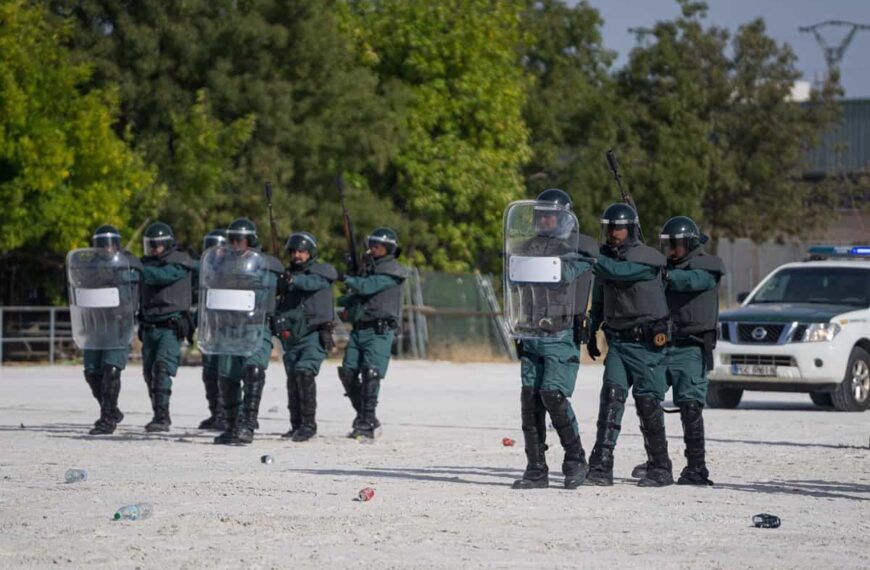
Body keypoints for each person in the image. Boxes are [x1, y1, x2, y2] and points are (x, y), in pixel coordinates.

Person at [505, 189, 598, 490]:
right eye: (540, 214)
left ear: (561, 218)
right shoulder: (525, 247)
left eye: (550, 214)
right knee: (530, 400)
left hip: (560, 332)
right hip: (529, 331)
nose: (544, 219)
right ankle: (536, 468)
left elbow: (566, 273)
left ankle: (575, 459)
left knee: (553, 395)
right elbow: (513, 277)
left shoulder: (579, 248)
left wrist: (543, 266)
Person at [583, 203, 673, 487]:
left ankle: (660, 467)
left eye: (618, 228)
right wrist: (592, 328)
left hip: (646, 344)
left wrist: (587, 255)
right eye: (609, 228)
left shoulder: (649, 259)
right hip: (619, 342)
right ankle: (601, 466)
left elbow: (618, 273)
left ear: (631, 228)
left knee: (648, 404)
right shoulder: (606, 261)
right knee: (610, 398)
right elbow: (600, 296)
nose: (613, 233)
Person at [632, 216, 724, 485]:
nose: (671, 251)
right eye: (667, 245)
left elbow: (689, 281)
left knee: (690, 405)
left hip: (691, 347)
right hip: (660, 346)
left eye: (677, 245)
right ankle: (657, 461)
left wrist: (660, 274)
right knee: (646, 398)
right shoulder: (661, 269)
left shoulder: (708, 266)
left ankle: (696, 467)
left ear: (691, 244)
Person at [212, 218, 283, 445]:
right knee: (227, 377)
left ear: (250, 240)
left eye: (239, 239)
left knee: (253, 370)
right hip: (229, 327)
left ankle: (248, 425)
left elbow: (263, 290)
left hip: (255, 325)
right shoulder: (220, 264)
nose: (235, 244)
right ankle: (232, 425)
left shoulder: (264, 264)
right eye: (231, 239)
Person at [337, 227, 409, 440]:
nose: (372, 249)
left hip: (379, 330)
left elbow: (368, 287)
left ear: (388, 249)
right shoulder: (367, 269)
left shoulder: (393, 271)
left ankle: (367, 422)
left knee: (371, 374)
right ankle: (365, 417)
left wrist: (347, 278)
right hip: (360, 329)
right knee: (348, 372)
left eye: (377, 246)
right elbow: (358, 293)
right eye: (370, 245)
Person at [77, 225, 143, 435]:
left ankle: (107, 419)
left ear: (116, 244)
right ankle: (113, 410)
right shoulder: (88, 267)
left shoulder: (129, 263)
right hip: (95, 325)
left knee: (111, 370)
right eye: (101, 244)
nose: (106, 249)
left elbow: (134, 292)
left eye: (110, 244)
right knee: (92, 373)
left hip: (118, 324)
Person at [274, 232, 338, 442]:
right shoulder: (286, 276)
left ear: (310, 253)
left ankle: (309, 425)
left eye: (301, 251)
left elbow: (310, 284)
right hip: (292, 335)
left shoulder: (322, 272)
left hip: (314, 332)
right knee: (292, 377)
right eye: (293, 251)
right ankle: (296, 425)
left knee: (304, 372)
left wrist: (291, 280)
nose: (297, 255)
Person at [139, 222, 195, 433]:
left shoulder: (179, 263)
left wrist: (135, 268)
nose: (153, 249)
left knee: (162, 368)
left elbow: (160, 277)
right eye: (150, 245)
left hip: (170, 326)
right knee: (149, 373)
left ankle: (162, 417)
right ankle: (157, 413)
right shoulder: (145, 265)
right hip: (149, 326)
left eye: (157, 245)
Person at [197, 229, 228, 431]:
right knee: (209, 373)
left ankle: (231, 413)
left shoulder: (235, 269)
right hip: (211, 327)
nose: (214, 253)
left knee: (228, 373)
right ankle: (216, 412)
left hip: (229, 328)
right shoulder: (204, 271)